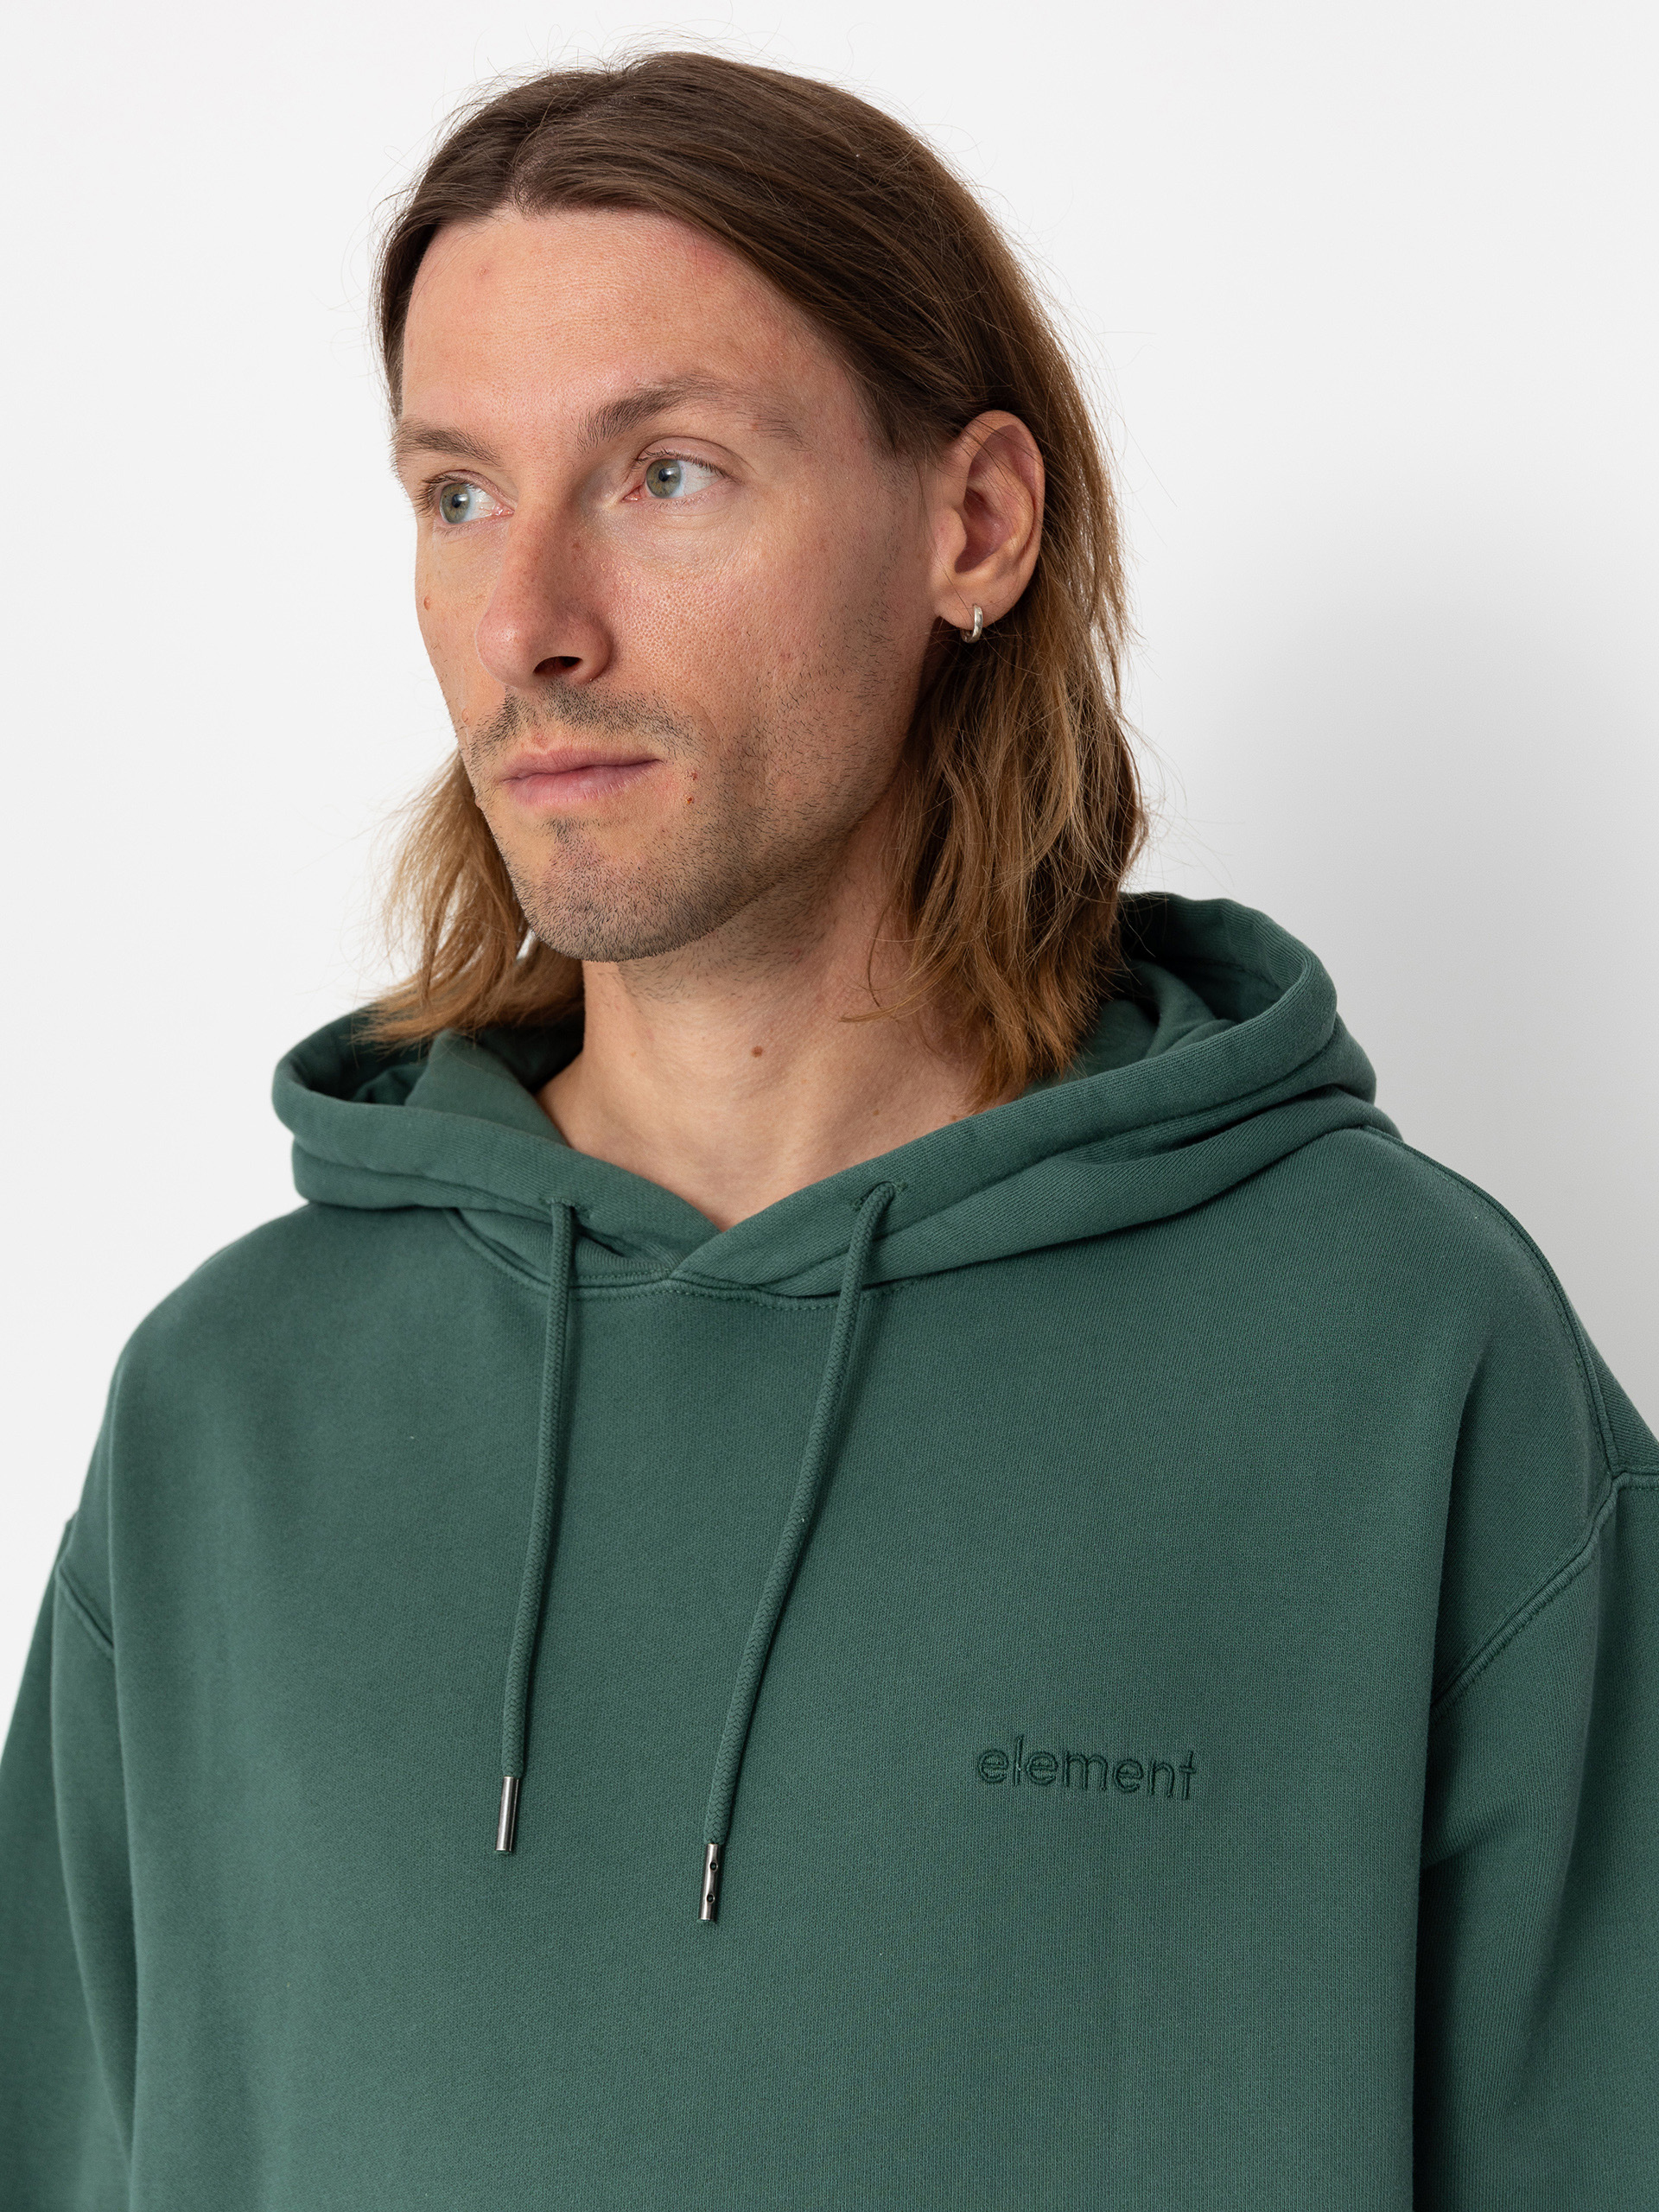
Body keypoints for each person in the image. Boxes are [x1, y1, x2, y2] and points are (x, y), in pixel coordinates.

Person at [1, 48, 1653, 2210]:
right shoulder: (229, 1418)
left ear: (975, 524)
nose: (529, 624)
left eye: (666, 472)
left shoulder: (1403, 1359)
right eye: (459, 493)